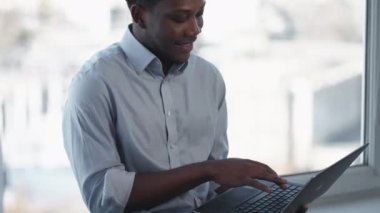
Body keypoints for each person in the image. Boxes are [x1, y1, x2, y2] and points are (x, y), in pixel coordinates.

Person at [63, 0, 307, 212]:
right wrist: (207, 170)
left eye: (199, 14)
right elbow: (104, 199)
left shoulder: (208, 78)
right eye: (179, 18)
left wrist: (267, 203)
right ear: (139, 16)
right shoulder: (94, 83)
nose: (195, 30)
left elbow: (213, 186)